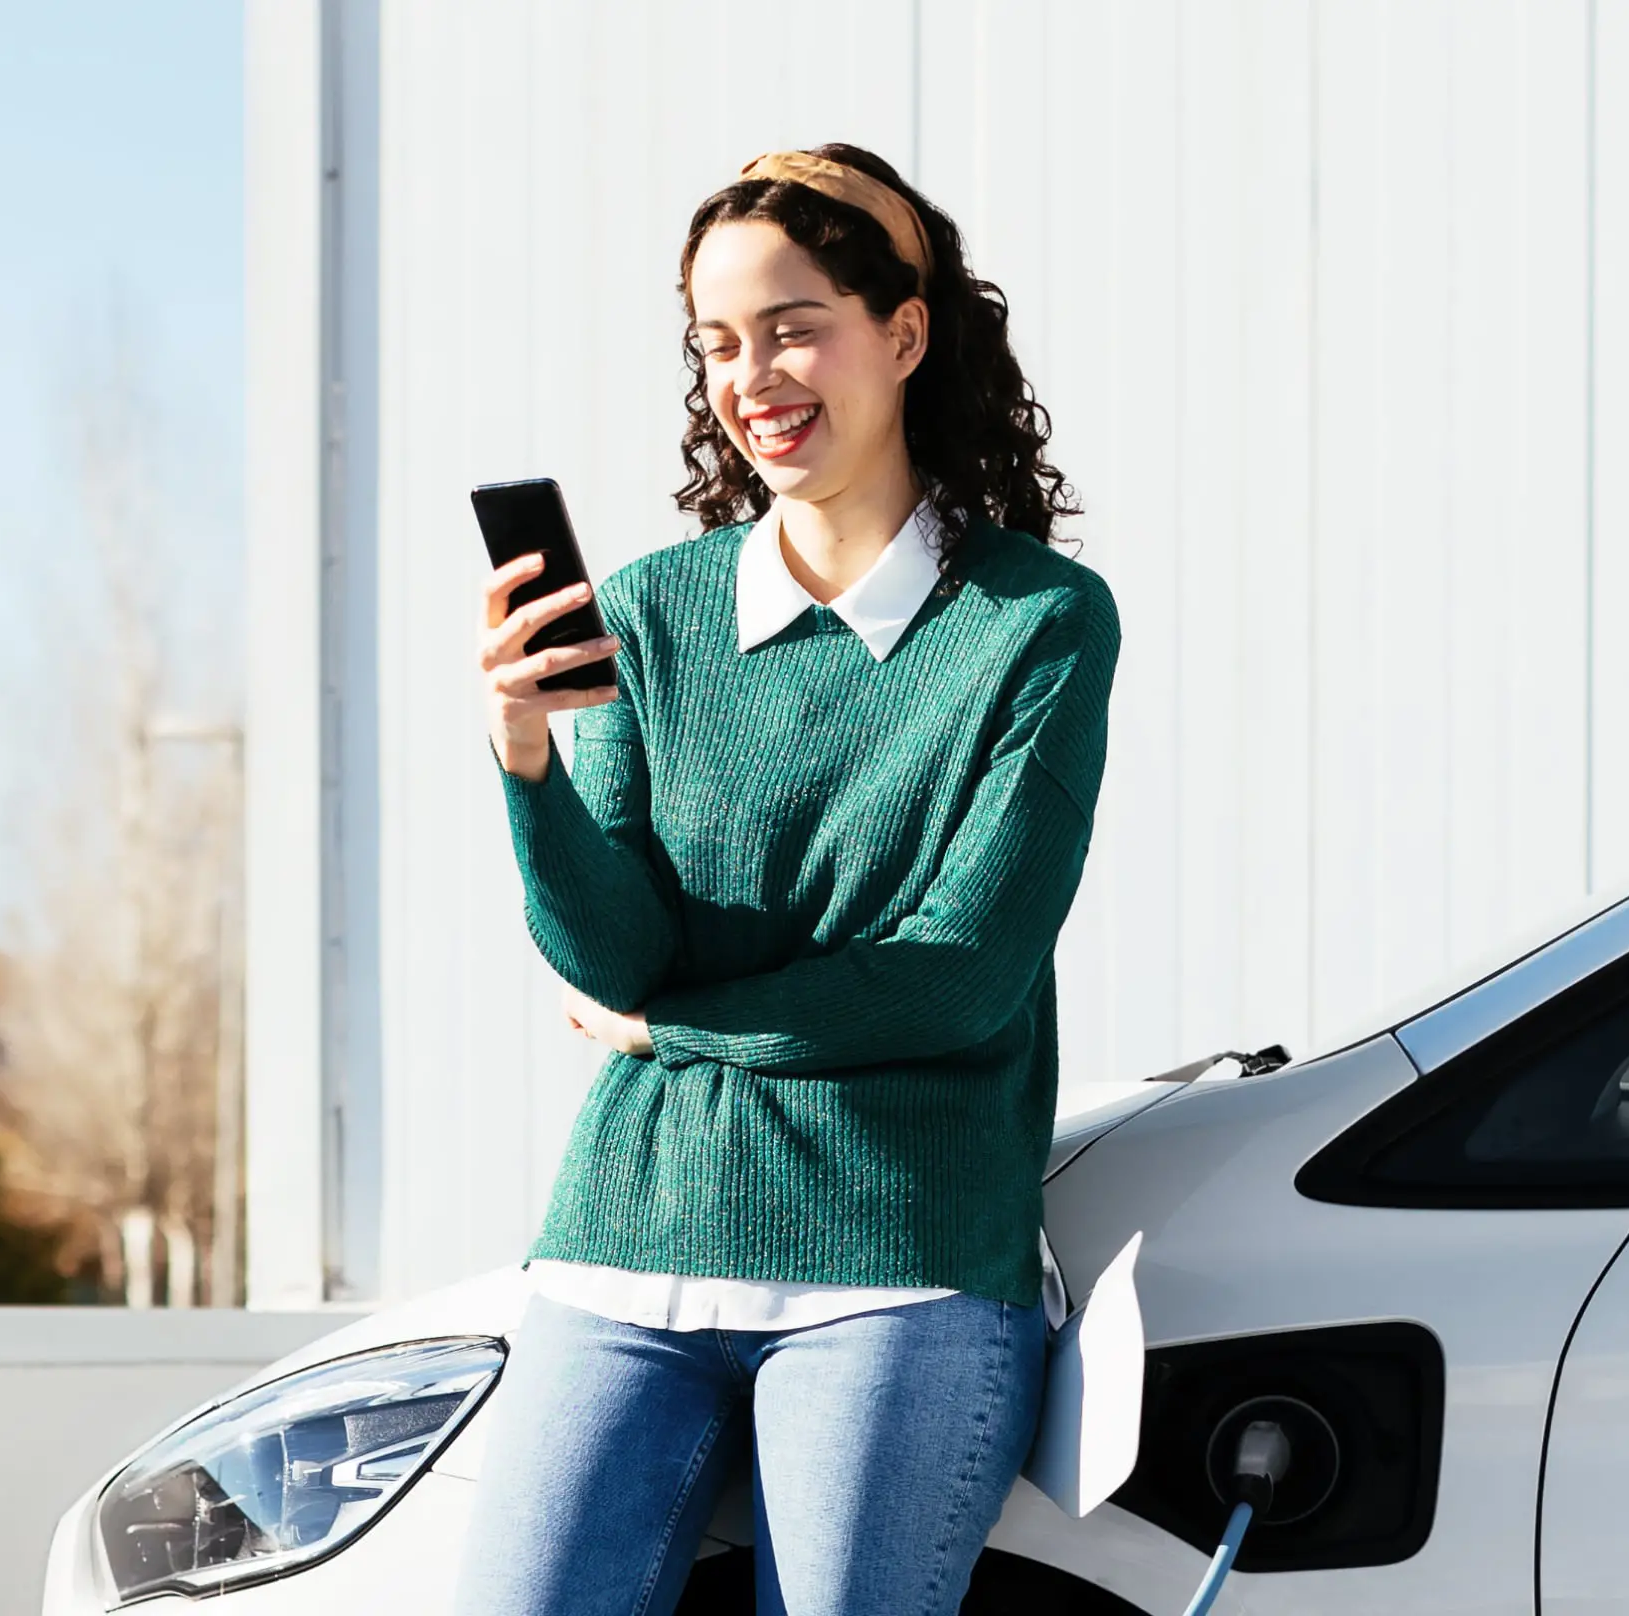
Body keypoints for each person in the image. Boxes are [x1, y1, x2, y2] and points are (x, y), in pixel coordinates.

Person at [450, 143, 1119, 1616]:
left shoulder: (1037, 623)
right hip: (624, 1246)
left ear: (904, 330)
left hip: (901, 1265)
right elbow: (613, 962)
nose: (753, 375)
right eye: (718, 343)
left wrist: (679, 1033)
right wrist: (526, 763)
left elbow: (961, 975)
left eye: (796, 324)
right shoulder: (648, 614)